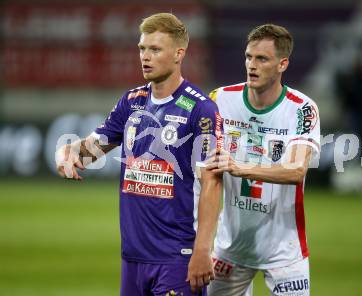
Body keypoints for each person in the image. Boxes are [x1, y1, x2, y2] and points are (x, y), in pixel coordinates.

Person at [55, 13, 223, 296]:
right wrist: (65, 152)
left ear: (178, 54)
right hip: (133, 256)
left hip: (177, 255)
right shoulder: (132, 101)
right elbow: (88, 152)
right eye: (142, 48)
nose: (145, 56)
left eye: (155, 49)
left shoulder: (200, 109)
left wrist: (202, 250)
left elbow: (212, 181)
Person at [205, 24, 320, 296]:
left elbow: (296, 170)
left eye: (262, 59)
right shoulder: (220, 99)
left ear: (283, 64)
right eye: (248, 57)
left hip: (285, 253)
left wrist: (239, 167)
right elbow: (203, 166)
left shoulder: (301, 109)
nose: (251, 65)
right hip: (230, 248)